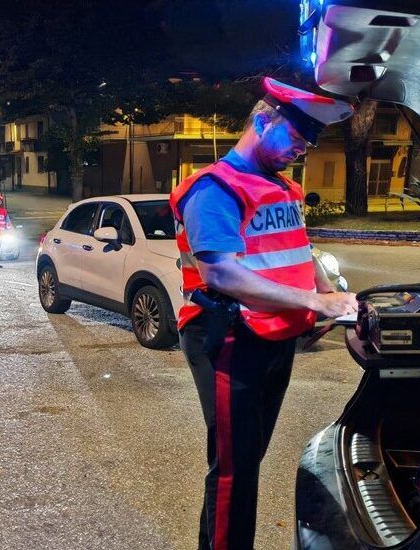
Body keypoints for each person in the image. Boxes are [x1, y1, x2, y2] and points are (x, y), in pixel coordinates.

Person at [168, 77, 360, 550]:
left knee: (244, 461)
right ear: (262, 120)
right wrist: (314, 302)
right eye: (295, 139)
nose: (301, 151)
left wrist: (327, 296)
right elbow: (221, 275)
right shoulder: (215, 188)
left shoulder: (285, 189)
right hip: (230, 337)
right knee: (235, 471)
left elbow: (299, 250)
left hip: (275, 337)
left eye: (307, 144)